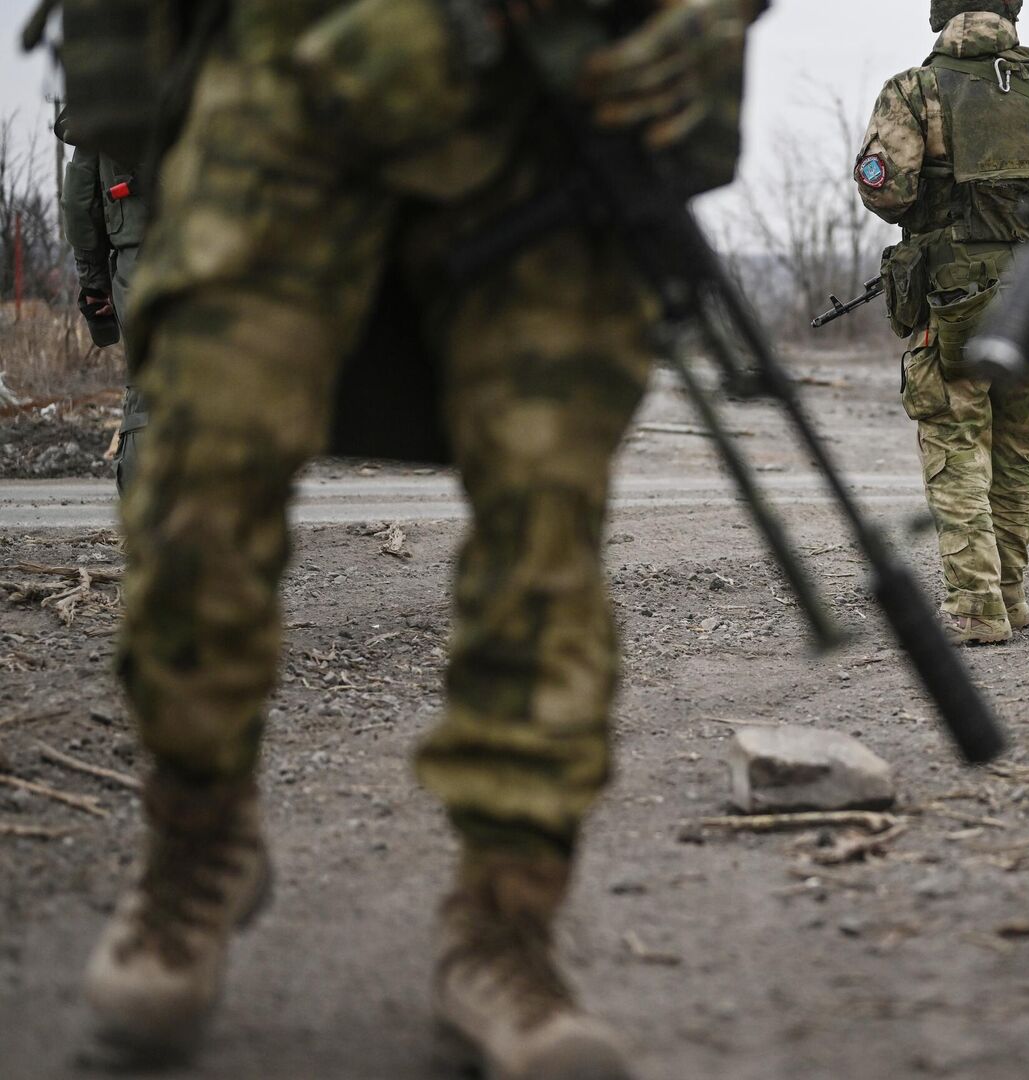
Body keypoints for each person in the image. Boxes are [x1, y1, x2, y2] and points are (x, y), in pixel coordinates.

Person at [80, 1, 762, 1077]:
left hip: (549, 90)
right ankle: (195, 843)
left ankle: (502, 931)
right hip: (290, 73)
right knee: (195, 481)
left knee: (544, 530)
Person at [855, 0, 1029, 646]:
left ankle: (976, 607)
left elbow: (884, 188)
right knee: (1015, 449)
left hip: (949, 299)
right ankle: (1008, 594)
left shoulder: (914, 90)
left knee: (956, 444)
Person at [56, 115, 149, 493]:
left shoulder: (112, 87)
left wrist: (94, 282)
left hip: (140, 260)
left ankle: (151, 519)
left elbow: (79, 201)